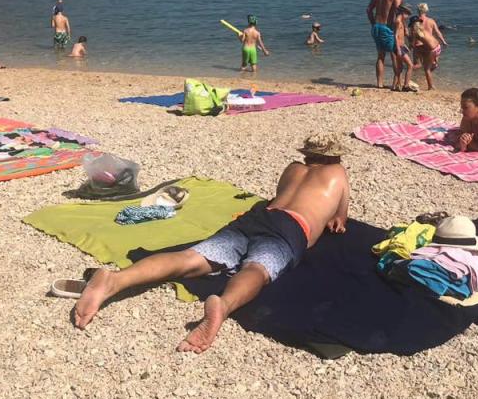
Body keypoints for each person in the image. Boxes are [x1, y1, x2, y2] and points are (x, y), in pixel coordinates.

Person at [72, 135, 351, 353]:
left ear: (306, 154)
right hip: (290, 229)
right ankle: (223, 305)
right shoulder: (337, 172)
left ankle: (116, 280)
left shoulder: (292, 168)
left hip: (258, 216)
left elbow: (281, 196)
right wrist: (334, 218)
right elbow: (340, 216)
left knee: (191, 258)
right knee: (257, 268)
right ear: (334, 156)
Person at [366, 0, 407, 88]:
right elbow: (399, 12)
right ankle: (396, 84)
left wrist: (373, 23)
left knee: (380, 56)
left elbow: (369, 9)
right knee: (395, 55)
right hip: (387, 28)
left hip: (376, 27)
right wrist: (404, 28)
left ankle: (379, 84)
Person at [411, 2, 448, 90]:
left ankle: (416, 80)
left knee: (417, 65)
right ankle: (424, 79)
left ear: (418, 10)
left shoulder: (416, 23)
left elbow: (412, 39)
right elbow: (437, 32)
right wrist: (443, 41)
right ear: (426, 10)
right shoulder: (431, 21)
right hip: (434, 46)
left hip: (421, 46)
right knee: (432, 65)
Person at [391, 5, 415, 91]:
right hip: (398, 47)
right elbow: (396, 35)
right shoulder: (398, 21)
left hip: (401, 46)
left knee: (400, 68)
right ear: (403, 12)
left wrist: (404, 45)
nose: (408, 16)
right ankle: (406, 86)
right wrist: (398, 49)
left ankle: (394, 86)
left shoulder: (400, 21)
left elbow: (401, 36)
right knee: (410, 65)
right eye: (407, 14)